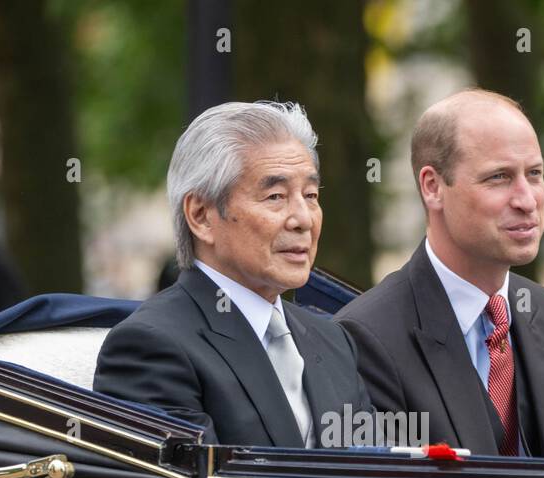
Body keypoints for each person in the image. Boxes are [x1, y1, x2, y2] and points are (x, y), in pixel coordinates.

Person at [337, 89, 544, 459]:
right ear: (433, 187)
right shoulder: (365, 337)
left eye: (535, 174)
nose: (526, 200)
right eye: (499, 178)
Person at [94, 100, 371, 447]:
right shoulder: (151, 347)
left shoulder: (334, 341)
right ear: (201, 216)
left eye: (311, 195)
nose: (303, 219)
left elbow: (370, 475)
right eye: (276, 196)